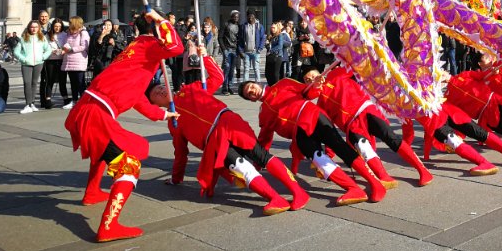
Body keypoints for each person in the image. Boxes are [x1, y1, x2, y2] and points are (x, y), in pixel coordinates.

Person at [64, 10, 183, 243]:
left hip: (87, 109)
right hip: (95, 113)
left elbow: (137, 96)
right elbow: (175, 48)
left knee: (103, 149)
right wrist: (162, 21)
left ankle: (91, 193)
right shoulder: (148, 44)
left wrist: (161, 114)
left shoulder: (137, 50)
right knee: (129, 165)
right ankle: (108, 226)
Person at [148, 51, 308, 215]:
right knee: (241, 168)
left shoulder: (192, 88)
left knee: (261, 156)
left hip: (228, 121)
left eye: (161, 87)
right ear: (155, 104)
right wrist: (176, 179)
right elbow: (180, 153)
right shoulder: (172, 122)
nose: (161, 91)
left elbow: (218, 78)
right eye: (156, 94)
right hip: (214, 142)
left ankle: (298, 193)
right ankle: (275, 198)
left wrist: (205, 57)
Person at [238, 78, 387, 206]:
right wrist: (257, 163)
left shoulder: (283, 84)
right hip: (299, 134)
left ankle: (376, 184)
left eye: (251, 87)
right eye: (248, 94)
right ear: (251, 100)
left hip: (312, 116)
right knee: (319, 160)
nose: (251, 91)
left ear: (256, 83)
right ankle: (353, 189)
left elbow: (307, 92)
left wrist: (315, 86)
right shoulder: (263, 113)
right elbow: (264, 139)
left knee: (341, 148)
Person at [301, 64, 433, 188]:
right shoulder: (320, 104)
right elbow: (329, 132)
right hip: (351, 125)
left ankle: (423, 171)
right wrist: (328, 157)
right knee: (363, 147)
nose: (311, 79)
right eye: (307, 80)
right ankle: (384, 178)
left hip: (365, 109)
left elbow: (359, 65)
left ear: (320, 73)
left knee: (391, 137)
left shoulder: (336, 73)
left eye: (313, 76)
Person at [13, 20, 52, 114]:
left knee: (34, 83)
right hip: (26, 63)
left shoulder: (42, 38)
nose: (34, 29)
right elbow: (16, 51)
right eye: (32, 27)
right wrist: (23, 59)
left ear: (38, 28)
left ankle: (32, 103)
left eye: (36, 27)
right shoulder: (23, 38)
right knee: (27, 83)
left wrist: (43, 57)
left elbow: (48, 50)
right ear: (29, 28)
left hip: (38, 63)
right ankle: (27, 104)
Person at [61, 16, 90, 109]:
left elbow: (84, 46)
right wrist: (64, 48)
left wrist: (71, 49)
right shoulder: (68, 33)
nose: (69, 24)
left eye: (70, 23)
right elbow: (65, 43)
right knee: (73, 83)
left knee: (80, 82)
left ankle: (83, 101)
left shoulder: (83, 33)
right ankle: (74, 100)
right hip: (69, 60)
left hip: (79, 60)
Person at [42, 19, 69, 109]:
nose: (57, 28)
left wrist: (63, 50)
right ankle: (48, 100)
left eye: (59, 26)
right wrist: (51, 51)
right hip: (50, 59)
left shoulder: (65, 35)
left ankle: (65, 98)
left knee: (62, 80)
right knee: (50, 80)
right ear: (52, 26)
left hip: (61, 59)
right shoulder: (47, 35)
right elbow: (44, 47)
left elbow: (68, 45)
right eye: (56, 26)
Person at [238, 11, 265, 83]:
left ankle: (258, 83)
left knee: (256, 68)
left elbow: (262, 38)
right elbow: (240, 39)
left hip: (255, 51)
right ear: (247, 17)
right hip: (246, 52)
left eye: (252, 17)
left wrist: (260, 48)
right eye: (249, 17)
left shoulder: (259, 26)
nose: (250, 18)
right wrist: (241, 50)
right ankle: (245, 84)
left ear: (255, 18)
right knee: (246, 69)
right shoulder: (243, 26)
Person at [219, 10, 241, 95]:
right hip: (227, 49)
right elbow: (220, 37)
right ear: (231, 16)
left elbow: (239, 39)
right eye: (234, 16)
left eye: (237, 17)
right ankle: (224, 87)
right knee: (226, 69)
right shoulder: (226, 24)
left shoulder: (238, 26)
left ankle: (230, 86)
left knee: (232, 70)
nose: (236, 18)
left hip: (235, 50)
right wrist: (223, 49)